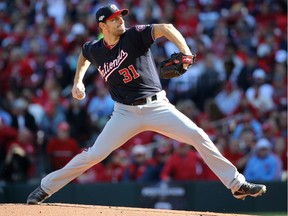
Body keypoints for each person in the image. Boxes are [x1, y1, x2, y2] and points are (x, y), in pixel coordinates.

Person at [27, 4, 266, 204]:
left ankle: (236, 184)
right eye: (113, 18)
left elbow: (167, 28)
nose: (120, 19)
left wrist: (185, 51)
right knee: (94, 154)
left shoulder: (134, 35)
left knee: (197, 134)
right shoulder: (95, 49)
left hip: (157, 107)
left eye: (120, 15)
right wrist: (77, 82)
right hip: (124, 113)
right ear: (102, 26)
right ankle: (46, 188)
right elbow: (84, 55)